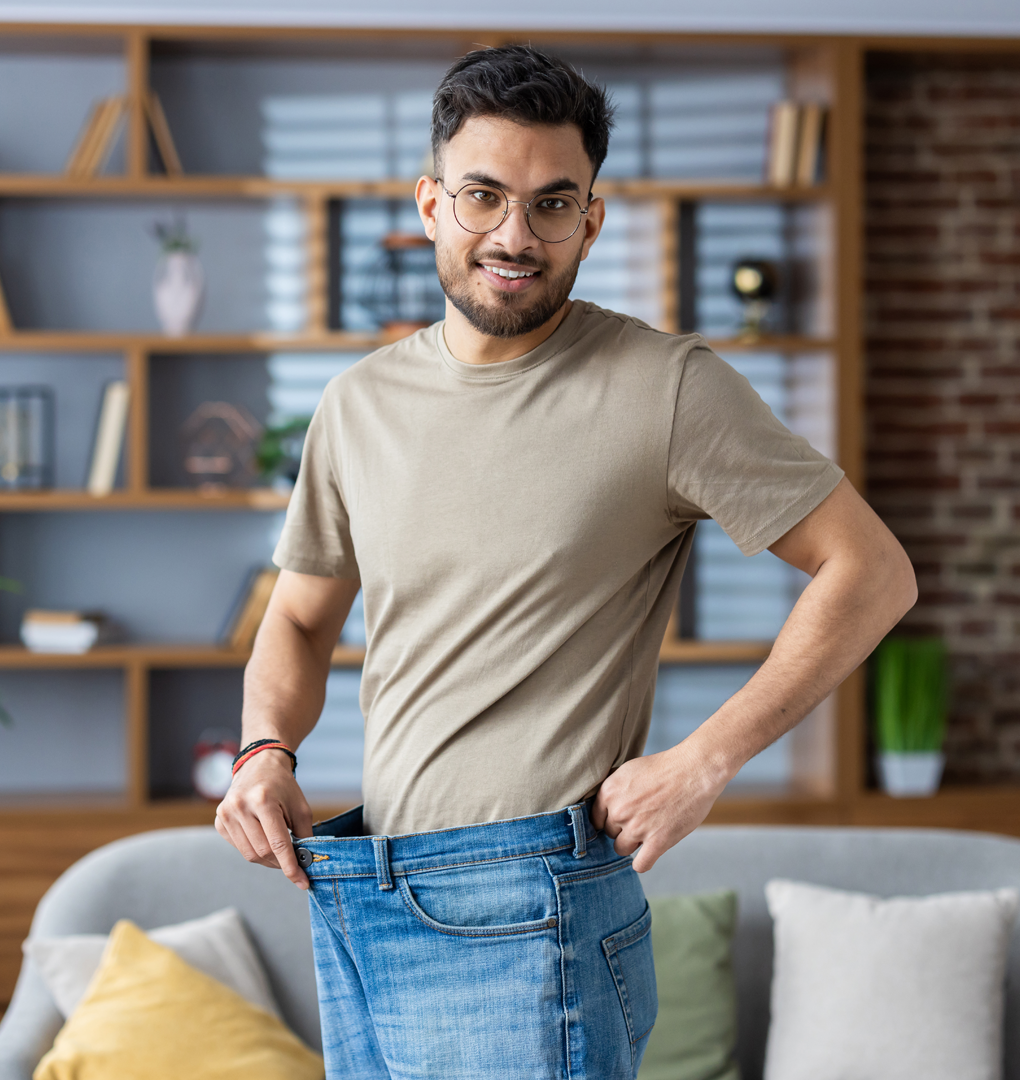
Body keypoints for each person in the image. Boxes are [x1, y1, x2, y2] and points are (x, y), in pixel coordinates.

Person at [216, 45, 916, 1080]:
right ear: (428, 204)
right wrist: (263, 750)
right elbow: (302, 620)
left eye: (552, 204)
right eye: (483, 196)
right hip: (365, 884)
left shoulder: (668, 387)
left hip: (538, 894)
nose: (514, 234)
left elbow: (874, 572)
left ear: (591, 220)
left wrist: (705, 759)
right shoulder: (357, 405)